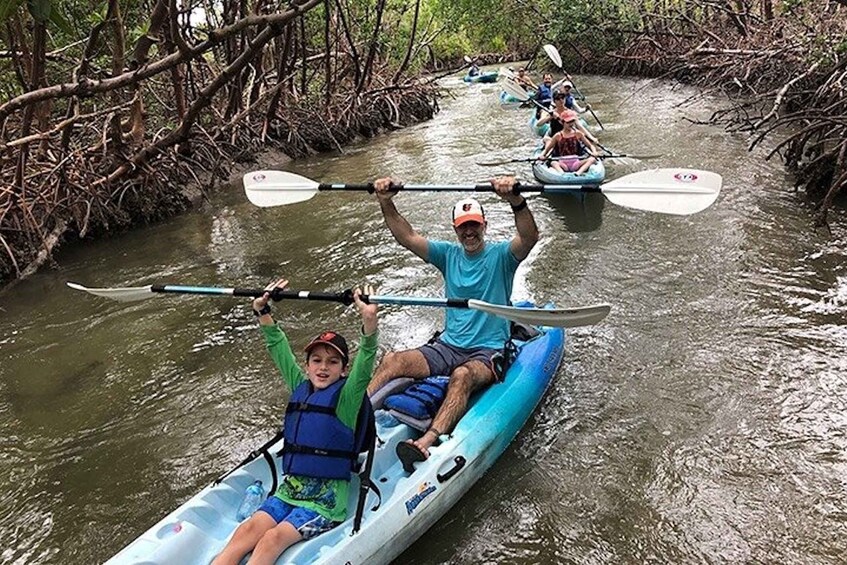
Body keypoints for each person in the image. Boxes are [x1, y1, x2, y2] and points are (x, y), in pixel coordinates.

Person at [366, 176, 539, 471]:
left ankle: (425, 442)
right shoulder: (447, 255)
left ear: (484, 225)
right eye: (464, 226)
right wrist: (386, 201)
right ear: (456, 229)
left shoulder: (502, 257)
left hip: (487, 351)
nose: (469, 231)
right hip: (447, 345)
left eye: (474, 225)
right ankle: (351, 413)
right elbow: (406, 236)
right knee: (394, 360)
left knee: (461, 376)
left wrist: (516, 201)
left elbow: (529, 238)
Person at [212, 278, 378, 565]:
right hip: (292, 488)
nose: (323, 368)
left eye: (332, 362)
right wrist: (262, 312)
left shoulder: (347, 398)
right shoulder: (299, 385)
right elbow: (279, 349)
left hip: (325, 501)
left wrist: (369, 321)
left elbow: (366, 360)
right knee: (248, 529)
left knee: (271, 539)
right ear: (307, 365)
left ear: (343, 369)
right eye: (316, 360)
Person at [537, 110, 599, 175]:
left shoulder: (578, 133)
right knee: (553, 163)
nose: (571, 124)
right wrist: (543, 156)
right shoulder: (558, 135)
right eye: (568, 122)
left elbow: (590, 145)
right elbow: (548, 149)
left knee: (592, 159)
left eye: (572, 121)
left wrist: (594, 152)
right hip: (562, 163)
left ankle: (579, 173)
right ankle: (562, 174)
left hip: (576, 162)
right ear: (562, 122)